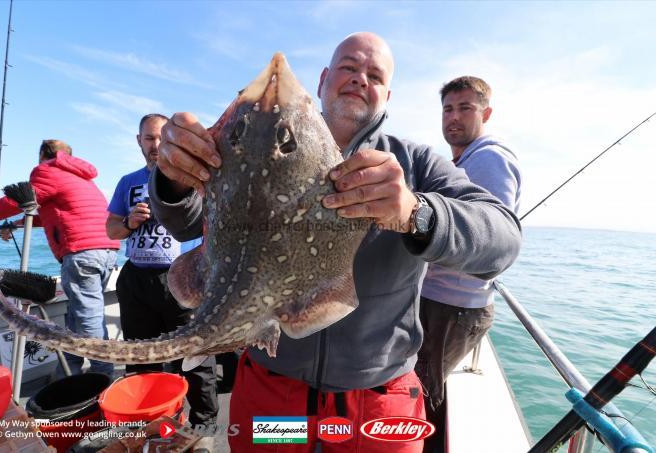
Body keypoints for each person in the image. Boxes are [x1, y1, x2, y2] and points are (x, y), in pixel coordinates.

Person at [149, 33, 522, 453]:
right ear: (323, 80)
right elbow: (189, 225)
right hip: (276, 399)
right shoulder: (245, 150)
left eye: (375, 75)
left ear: (387, 94)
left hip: (377, 404)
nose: (360, 79)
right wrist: (173, 181)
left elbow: (503, 239)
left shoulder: (415, 163)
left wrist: (414, 212)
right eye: (348, 67)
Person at [416, 76, 522, 450]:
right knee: (425, 389)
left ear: (486, 113)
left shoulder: (489, 158)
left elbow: (491, 238)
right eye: (447, 109)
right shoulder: (462, 160)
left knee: (422, 396)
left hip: (453, 307)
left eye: (465, 108)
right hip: (443, 302)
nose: (453, 118)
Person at [105, 113, 218, 440]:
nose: (155, 145)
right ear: (139, 141)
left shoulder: (197, 178)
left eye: (161, 137)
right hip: (137, 279)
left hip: (184, 279)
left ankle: (204, 427)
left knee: (196, 357)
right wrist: (128, 222)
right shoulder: (127, 182)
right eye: (149, 138)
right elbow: (110, 229)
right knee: (140, 358)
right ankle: (149, 423)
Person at [0, 140, 119, 377]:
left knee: (87, 318)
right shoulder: (81, 176)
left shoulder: (48, 170)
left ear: (44, 154)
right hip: (106, 250)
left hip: (81, 252)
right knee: (78, 314)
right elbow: (52, 212)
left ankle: (103, 377)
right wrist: (16, 224)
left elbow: (15, 201)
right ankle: (68, 371)